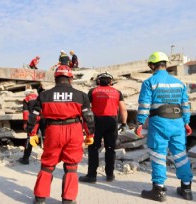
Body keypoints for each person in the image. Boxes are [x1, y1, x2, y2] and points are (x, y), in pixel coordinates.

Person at [27, 65, 95, 204]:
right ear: (70, 78)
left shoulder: (44, 95)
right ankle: (68, 200)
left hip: (53, 130)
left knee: (47, 165)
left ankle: (40, 199)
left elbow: (34, 116)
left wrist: (32, 133)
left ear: (56, 79)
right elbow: (88, 117)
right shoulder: (80, 95)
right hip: (74, 130)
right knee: (71, 166)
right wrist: (90, 135)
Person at [136, 52, 193, 202]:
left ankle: (158, 190)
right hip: (178, 123)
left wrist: (140, 123)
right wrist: (186, 122)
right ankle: (186, 189)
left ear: (152, 65)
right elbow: (185, 105)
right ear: (166, 64)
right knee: (180, 155)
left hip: (159, 123)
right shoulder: (179, 83)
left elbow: (144, 105)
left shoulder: (149, 82)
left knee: (158, 155)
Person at [79, 72, 128, 183]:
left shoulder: (93, 91)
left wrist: (84, 124)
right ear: (111, 82)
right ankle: (110, 175)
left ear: (98, 81)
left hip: (97, 122)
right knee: (110, 149)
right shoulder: (117, 92)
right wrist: (124, 124)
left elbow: (86, 108)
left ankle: (91, 175)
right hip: (112, 122)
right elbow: (123, 109)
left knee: (93, 148)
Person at [18, 89, 45, 165]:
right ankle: (46, 158)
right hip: (43, 119)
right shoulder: (39, 97)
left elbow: (25, 112)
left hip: (33, 120)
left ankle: (25, 159)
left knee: (30, 137)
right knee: (45, 138)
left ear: (26, 94)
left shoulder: (26, 99)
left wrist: (25, 123)